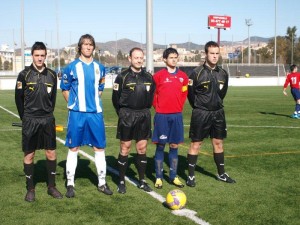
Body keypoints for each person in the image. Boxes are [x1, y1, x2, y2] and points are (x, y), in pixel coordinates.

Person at [60, 34, 113, 198]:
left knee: (99, 148)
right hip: (77, 115)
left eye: (91, 44)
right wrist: (74, 104)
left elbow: (100, 87)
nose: (88, 47)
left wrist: (94, 101)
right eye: (85, 44)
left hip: (95, 114)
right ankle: (70, 183)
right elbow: (65, 88)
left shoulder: (100, 67)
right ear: (80, 47)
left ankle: (102, 183)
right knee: (74, 147)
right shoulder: (71, 67)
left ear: (93, 47)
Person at [15, 41, 63, 202]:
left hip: (47, 119)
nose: (40, 58)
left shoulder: (51, 74)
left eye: (42, 55)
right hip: (30, 119)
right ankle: (30, 188)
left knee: (51, 152)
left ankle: (51, 186)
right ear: (32, 56)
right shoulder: (24, 75)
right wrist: (26, 118)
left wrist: (47, 113)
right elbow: (18, 99)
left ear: (46, 56)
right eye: (37, 55)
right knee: (29, 154)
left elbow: (53, 98)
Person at [186, 41, 236, 187]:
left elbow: (222, 93)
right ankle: (190, 176)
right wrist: (201, 107)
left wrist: (215, 104)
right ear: (206, 54)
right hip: (201, 113)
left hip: (218, 113)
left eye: (216, 53)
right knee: (196, 143)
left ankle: (221, 174)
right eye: (211, 53)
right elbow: (191, 95)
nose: (214, 56)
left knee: (218, 142)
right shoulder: (196, 73)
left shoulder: (223, 73)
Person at [112, 47, 155, 194]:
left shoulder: (149, 77)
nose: (139, 60)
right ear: (129, 59)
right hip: (127, 115)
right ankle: (121, 181)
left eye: (141, 57)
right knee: (125, 147)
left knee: (142, 148)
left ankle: (142, 181)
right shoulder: (122, 76)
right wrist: (123, 114)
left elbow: (151, 98)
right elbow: (115, 99)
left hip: (144, 115)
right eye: (136, 57)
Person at [152, 47, 189, 189]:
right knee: (161, 145)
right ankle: (159, 177)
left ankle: (173, 176)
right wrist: (159, 108)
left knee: (174, 146)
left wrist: (178, 107)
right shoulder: (158, 76)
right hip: (162, 116)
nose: (174, 59)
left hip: (176, 116)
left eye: (176, 57)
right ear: (165, 59)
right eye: (171, 57)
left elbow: (184, 94)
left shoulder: (183, 77)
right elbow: (153, 95)